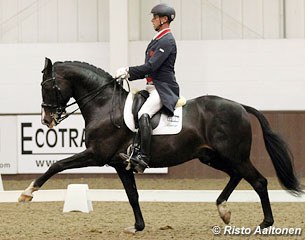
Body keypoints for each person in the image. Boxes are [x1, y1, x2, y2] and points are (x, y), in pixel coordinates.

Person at [115, 3, 180, 173]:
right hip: (152, 87)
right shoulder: (158, 39)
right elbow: (148, 69)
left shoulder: (167, 40)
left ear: (164, 19)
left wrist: (128, 71)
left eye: (155, 17)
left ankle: (143, 157)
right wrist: (128, 75)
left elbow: (151, 66)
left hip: (163, 88)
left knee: (144, 114)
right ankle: (134, 149)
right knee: (134, 109)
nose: (152, 20)